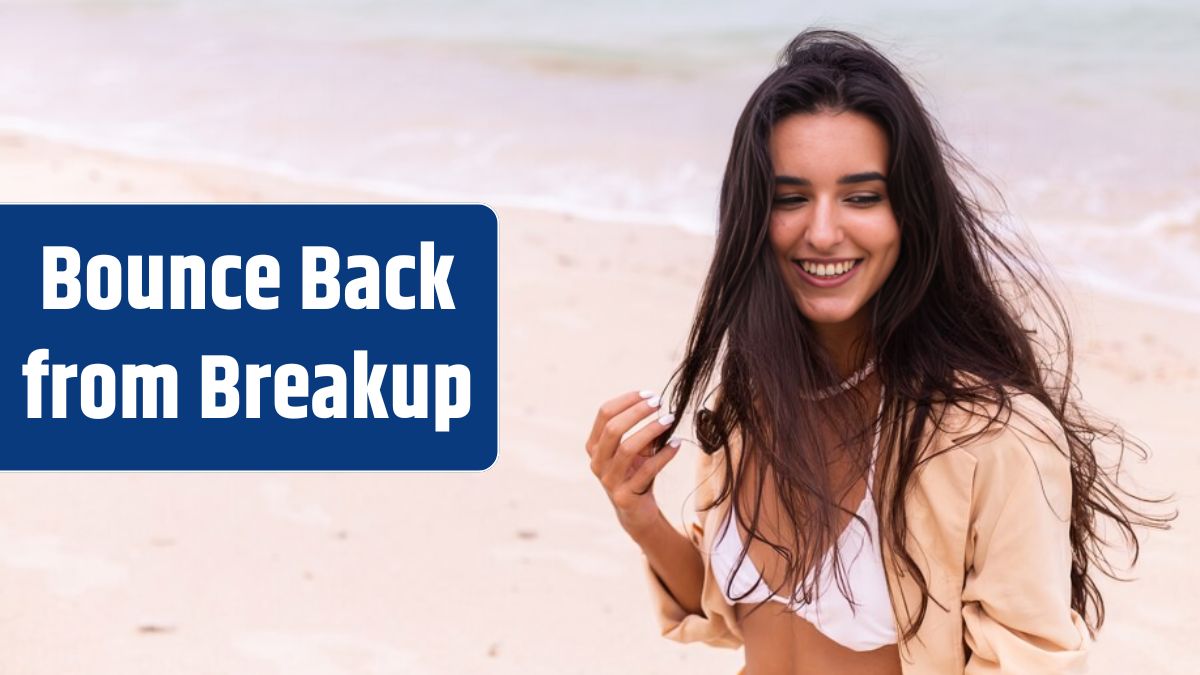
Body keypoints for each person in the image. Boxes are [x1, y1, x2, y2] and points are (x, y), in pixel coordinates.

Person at [584, 28, 1172, 674]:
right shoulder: (751, 401)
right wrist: (637, 512)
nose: (825, 231)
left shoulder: (992, 438)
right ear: (754, 214)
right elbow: (742, 615)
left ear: (907, 215)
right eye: (791, 198)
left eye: (862, 196)